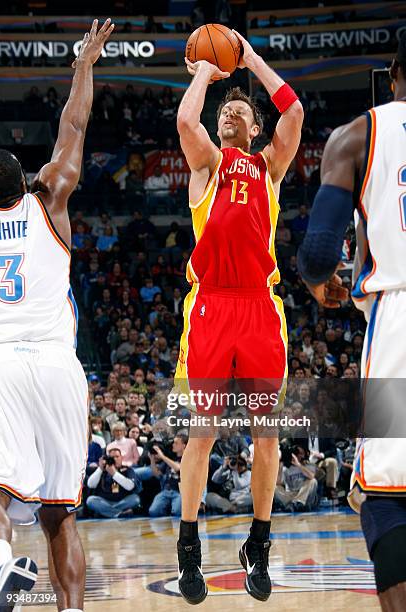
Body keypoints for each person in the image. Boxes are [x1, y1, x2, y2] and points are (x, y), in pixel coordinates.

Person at [174, 29, 303, 604]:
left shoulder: (269, 169)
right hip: (210, 307)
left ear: (254, 130)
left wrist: (248, 59)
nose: (228, 115)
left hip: (258, 307)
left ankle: (260, 542)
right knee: (199, 435)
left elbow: (294, 110)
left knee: (266, 435)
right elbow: (185, 122)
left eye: (238, 112)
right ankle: (189, 550)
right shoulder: (207, 163)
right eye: (223, 111)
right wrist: (206, 71)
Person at [0, 19, 114, 612]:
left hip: (3, 366)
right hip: (57, 365)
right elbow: (73, 124)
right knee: (59, 512)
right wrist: (83, 65)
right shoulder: (51, 199)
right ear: (27, 180)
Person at [297, 33, 406, 612]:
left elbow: (317, 254)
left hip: (399, 327)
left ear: (394, 74)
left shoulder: (357, 135)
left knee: (385, 492)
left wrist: (321, 283)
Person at [86, 449, 141, 518]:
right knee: (90, 500)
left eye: (117, 456)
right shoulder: (102, 470)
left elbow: (130, 486)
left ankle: (106, 512)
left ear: (121, 458)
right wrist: (100, 469)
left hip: (123, 501)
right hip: (104, 501)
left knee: (135, 499)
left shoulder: (127, 470)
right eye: (112, 457)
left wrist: (114, 474)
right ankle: (118, 514)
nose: (115, 459)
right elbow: (90, 485)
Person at [148, 434, 188, 517]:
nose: (173, 445)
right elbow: (157, 474)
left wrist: (162, 456)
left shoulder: (189, 458)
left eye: (176, 443)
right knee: (153, 512)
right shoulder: (171, 458)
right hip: (166, 490)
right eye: (173, 443)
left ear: (184, 445)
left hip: (180, 492)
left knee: (177, 512)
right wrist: (152, 460)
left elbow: (178, 468)